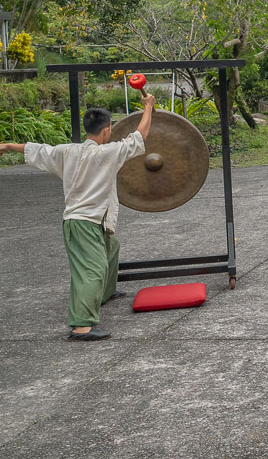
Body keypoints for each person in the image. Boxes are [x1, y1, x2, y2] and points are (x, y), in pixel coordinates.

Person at [0, 94, 155, 340]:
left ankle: (104, 293)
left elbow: (36, 150)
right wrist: (148, 107)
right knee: (91, 270)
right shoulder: (108, 153)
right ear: (107, 130)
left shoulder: (66, 152)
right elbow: (139, 137)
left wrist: (8, 146)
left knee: (111, 248)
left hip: (93, 222)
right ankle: (82, 326)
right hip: (83, 223)